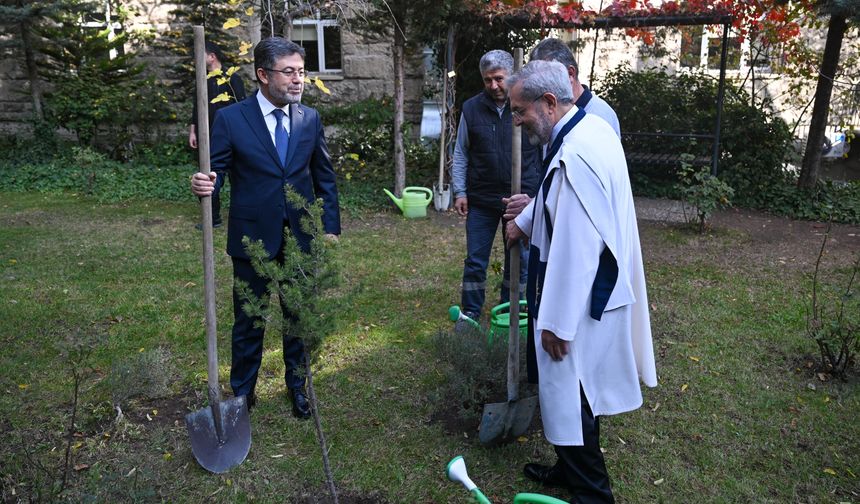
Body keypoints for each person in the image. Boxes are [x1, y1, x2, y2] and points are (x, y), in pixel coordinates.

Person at [504, 60, 657, 503]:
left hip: (581, 300)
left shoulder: (576, 155)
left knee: (574, 396)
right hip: (594, 293)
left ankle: (592, 494)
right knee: (574, 395)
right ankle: (567, 471)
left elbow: (577, 246)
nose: (516, 120)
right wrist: (528, 219)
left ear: (549, 103)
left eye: (521, 111)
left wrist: (556, 324)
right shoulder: (589, 131)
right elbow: (559, 203)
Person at [190, 37, 340, 419]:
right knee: (249, 319)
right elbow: (217, 170)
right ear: (262, 74)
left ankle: (298, 387)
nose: (298, 80)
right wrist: (207, 184)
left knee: (297, 316)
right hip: (252, 237)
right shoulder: (231, 119)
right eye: (288, 72)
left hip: (299, 237)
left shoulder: (309, 118)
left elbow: (324, 177)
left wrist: (330, 227)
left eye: (301, 72)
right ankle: (242, 393)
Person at [450, 49, 542, 326]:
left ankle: (511, 310)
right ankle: (470, 314)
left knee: (519, 260)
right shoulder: (471, 109)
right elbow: (461, 152)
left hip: (519, 200)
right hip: (481, 199)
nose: (493, 86)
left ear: (511, 75)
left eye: (499, 79)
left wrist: (536, 197)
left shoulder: (527, 105)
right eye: (487, 80)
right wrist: (460, 191)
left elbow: (541, 151)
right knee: (476, 260)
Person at [503, 38, 620, 223]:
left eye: (545, 74)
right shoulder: (550, 119)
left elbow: (582, 202)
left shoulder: (599, 118)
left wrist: (530, 217)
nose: (537, 84)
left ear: (570, 74)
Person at [189, 41, 246, 229]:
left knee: (238, 177)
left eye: (201, 55)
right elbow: (196, 107)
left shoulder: (232, 79)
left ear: (212, 56)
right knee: (208, 176)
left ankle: (242, 214)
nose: (197, 59)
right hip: (208, 138)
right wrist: (193, 131)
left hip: (232, 138)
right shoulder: (202, 79)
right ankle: (213, 218)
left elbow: (242, 107)